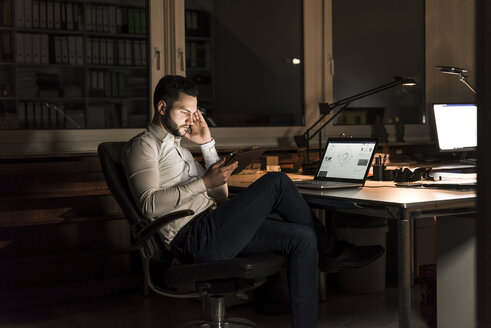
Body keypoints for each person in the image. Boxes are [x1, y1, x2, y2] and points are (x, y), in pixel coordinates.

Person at [121, 75, 383, 328]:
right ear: (162, 107)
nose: (190, 120)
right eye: (183, 112)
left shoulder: (179, 147)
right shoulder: (144, 146)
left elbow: (220, 194)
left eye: (194, 113)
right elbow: (149, 205)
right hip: (194, 238)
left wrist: (206, 144)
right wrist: (204, 183)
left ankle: (311, 305)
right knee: (277, 182)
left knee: (303, 238)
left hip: (213, 225)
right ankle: (333, 252)